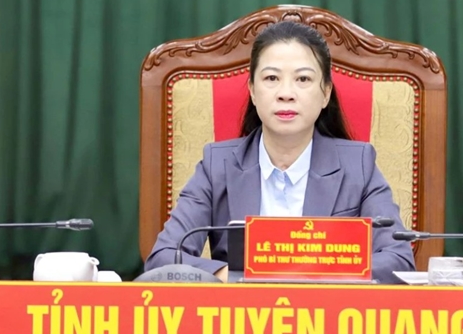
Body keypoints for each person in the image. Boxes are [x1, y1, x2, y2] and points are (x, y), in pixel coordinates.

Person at [145, 20, 416, 284]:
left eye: (303, 79)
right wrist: (238, 277)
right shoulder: (218, 165)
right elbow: (164, 258)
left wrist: (314, 276)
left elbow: (398, 261)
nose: (286, 93)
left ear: (325, 93)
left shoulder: (358, 166)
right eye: (272, 78)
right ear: (253, 91)